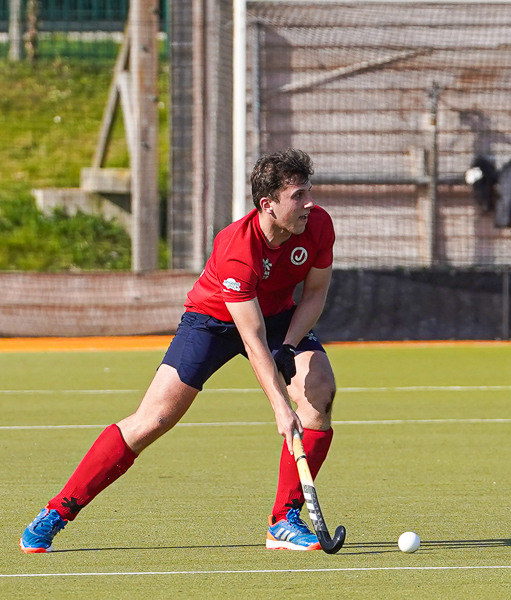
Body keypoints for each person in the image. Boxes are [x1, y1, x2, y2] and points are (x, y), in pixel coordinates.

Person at [20, 149, 338, 552]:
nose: (308, 203)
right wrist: (279, 405)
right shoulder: (236, 246)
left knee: (319, 393)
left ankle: (284, 520)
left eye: (308, 192)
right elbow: (251, 338)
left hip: (278, 318)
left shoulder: (318, 225)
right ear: (268, 205)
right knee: (153, 419)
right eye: (297, 196)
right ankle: (57, 511)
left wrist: (290, 346)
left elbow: (314, 295)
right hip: (212, 321)